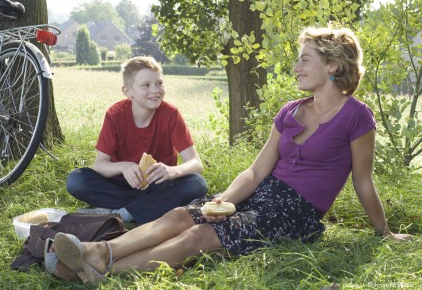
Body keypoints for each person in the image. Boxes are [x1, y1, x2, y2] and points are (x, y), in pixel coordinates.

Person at [50, 27, 411, 284]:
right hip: (261, 193)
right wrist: (223, 200)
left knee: (198, 238)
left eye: (305, 60)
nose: (296, 67)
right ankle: (97, 250)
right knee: (182, 215)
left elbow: (363, 180)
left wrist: (384, 232)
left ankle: (104, 267)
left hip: (295, 212)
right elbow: (256, 172)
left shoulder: (356, 116)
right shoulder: (289, 111)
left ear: (332, 66)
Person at [65, 56, 208, 224]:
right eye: (146, 85)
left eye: (159, 83)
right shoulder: (115, 115)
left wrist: (172, 171)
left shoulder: (171, 114)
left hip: (158, 184)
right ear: (128, 91)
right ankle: (148, 208)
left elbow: (196, 164)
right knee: (76, 180)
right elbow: (100, 165)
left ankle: (121, 214)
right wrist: (124, 167)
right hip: (122, 184)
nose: (155, 90)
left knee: (197, 184)